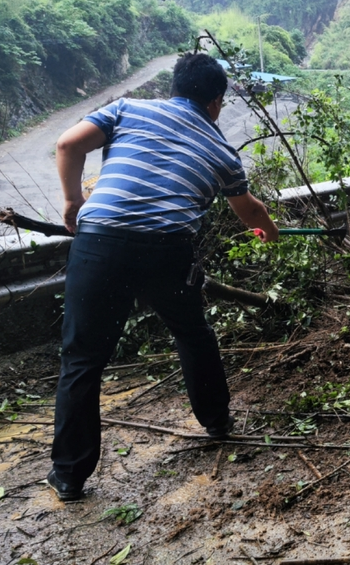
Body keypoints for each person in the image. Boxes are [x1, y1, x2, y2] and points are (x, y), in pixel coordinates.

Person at [47, 52, 279, 502]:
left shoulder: (129, 109)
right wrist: (268, 232)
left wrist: (74, 203)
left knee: (81, 359)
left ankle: (69, 477)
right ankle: (217, 421)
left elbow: (68, 145)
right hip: (166, 250)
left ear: (174, 86)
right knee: (193, 333)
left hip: (100, 242)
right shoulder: (222, 152)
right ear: (216, 102)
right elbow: (249, 211)